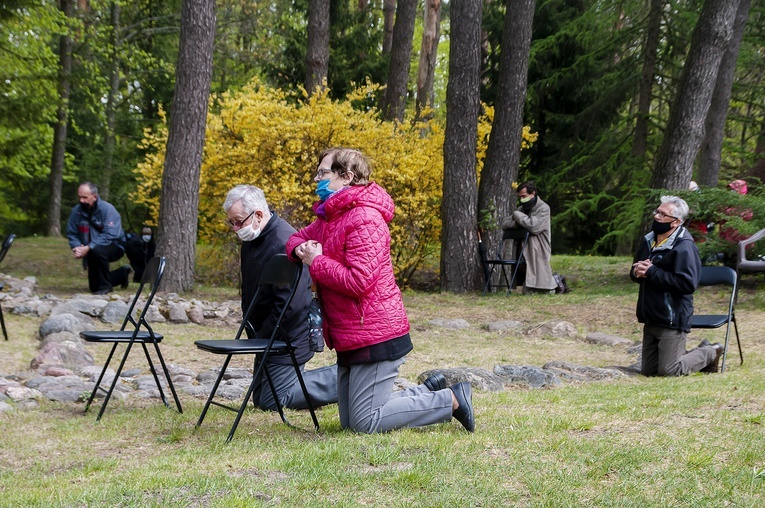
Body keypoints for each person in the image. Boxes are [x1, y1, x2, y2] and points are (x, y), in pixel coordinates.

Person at [287, 147, 474, 433]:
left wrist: (316, 261)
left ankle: (449, 399)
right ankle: (427, 391)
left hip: (375, 334)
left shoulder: (365, 218)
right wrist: (299, 248)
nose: (316, 179)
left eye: (323, 173)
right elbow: (296, 237)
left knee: (365, 422)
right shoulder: (331, 217)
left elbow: (360, 282)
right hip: (350, 334)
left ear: (347, 176)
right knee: (351, 423)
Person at [223, 185, 338, 412]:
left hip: (285, 337)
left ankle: (345, 378)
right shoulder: (253, 238)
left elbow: (292, 305)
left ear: (258, 214)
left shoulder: (283, 241)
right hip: (265, 336)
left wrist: (264, 336)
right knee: (260, 400)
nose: (235, 228)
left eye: (238, 221)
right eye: (231, 223)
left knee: (273, 400)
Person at [630, 195, 723, 376]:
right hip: (650, 316)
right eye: (657, 212)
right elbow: (637, 271)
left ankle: (711, 351)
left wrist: (652, 272)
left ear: (676, 222)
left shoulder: (684, 247)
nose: (657, 216)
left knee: (668, 371)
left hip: (672, 318)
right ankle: (699, 352)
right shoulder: (649, 240)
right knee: (649, 372)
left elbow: (687, 284)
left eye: (663, 215)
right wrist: (636, 273)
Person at [66, 182, 130, 295]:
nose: (81, 200)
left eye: (85, 197)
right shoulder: (76, 212)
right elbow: (72, 233)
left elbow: (110, 234)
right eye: (79, 197)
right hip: (90, 248)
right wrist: (77, 247)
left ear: (94, 196)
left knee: (97, 250)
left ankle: (106, 287)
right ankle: (121, 274)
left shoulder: (108, 209)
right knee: (94, 287)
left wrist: (89, 247)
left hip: (114, 245)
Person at [500, 181, 557, 294]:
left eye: (524, 196)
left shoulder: (543, 208)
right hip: (523, 246)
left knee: (538, 272)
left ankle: (548, 287)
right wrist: (518, 223)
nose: (522, 199)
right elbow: (504, 223)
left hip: (538, 246)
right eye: (520, 197)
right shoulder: (522, 209)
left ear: (533, 194)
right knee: (527, 278)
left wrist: (517, 216)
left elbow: (533, 227)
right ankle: (533, 287)